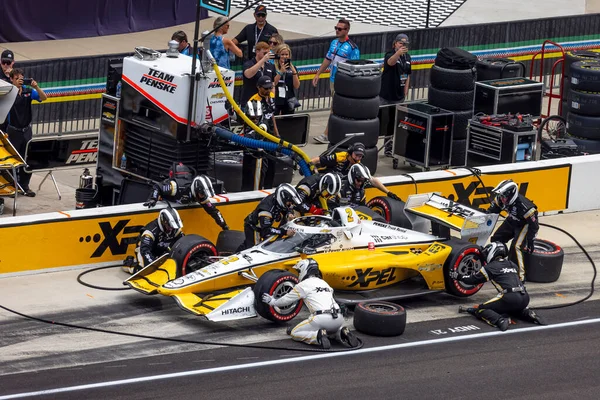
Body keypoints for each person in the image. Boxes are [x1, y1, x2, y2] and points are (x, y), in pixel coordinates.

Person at [262, 258, 359, 349]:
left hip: (320, 319)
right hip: (338, 318)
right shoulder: (324, 283)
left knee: (294, 332)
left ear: (304, 270)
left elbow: (286, 300)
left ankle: (317, 336)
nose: (299, 273)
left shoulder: (303, 285)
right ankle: (341, 332)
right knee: (329, 331)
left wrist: (273, 301)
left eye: (299, 271)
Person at [451, 242, 547, 331]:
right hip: (525, 297)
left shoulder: (490, 267)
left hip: (509, 297)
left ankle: (500, 320)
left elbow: (473, 279)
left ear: (492, 252)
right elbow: (521, 279)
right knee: (512, 309)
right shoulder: (512, 264)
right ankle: (528, 314)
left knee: (482, 309)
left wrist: (458, 276)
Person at [311, 19, 360, 144]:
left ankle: (327, 134)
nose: (337, 31)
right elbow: (328, 59)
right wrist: (318, 73)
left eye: (340, 29)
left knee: (335, 108)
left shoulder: (353, 48)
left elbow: (355, 68)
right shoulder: (334, 42)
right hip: (333, 80)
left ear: (347, 30)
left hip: (343, 83)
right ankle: (338, 133)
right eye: (336, 28)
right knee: (338, 109)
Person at [144, 163, 229, 231]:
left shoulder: (202, 197)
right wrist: (153, 199)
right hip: (164, 202)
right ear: (196, 189)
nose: (203, 197)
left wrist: (224, 226)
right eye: (202, 194)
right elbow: (157, 187)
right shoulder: (175, 187)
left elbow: (214, 211)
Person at [6, 68, 48, 197]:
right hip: (13, 131)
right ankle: (12, 187)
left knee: (27, 159)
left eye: (21, 77)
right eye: (17, 78)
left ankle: (25, 186)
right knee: (12, 160)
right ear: (12, 79)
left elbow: (44, 98)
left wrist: (37, 87)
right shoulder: (7, 93)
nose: (20, 80)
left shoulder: (28, 92)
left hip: (26, 131)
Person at [487, 179, 539, 281]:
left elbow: (534, 226)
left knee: (516, 247)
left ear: (511, 195)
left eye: (504, 197)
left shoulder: (526, 207)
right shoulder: (499, 199)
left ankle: (520, 277)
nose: (502, 199)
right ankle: (499, 266)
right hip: (511, 220)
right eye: (501, 196)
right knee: (496, 239)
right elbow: (491, 212)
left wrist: (531, 240)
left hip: (525, 225)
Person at [312, 142, 401, 200]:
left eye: (361, 156)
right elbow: (316, 160)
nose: (358, 158)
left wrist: (388, 193)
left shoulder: (357, 165)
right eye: (356, 155)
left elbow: (372, 179)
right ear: (350, 152)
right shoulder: (340, 157)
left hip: (337, 188)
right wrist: (310, 166)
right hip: (322, 180)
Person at [124, 208, 184, 274]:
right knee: (144, 271)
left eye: (173, 227)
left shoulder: (176, 230)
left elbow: (183, 243)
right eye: (169, 227)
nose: (171, 229)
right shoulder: (150, 232)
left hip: (163, 249)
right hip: (144, 249)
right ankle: (128, 264)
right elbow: (145, 250)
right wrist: (153, 265)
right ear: (163, 222)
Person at [242, 183, 301, 249]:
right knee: (254, 249)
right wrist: (285, 232)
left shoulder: (277, 198)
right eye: (289, 202)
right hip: (254, 227)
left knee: (248, 245)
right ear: (283, 199)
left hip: (262, 225)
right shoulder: (266, 211)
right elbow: (266, 230)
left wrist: (289, 213)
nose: (291, 205)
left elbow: (287, 208)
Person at [380, 34, 412, 157]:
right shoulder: (390, 55)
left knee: (394, 122)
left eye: (405, 44)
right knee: (381, 121)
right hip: (385, 95)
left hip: (399, 96)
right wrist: (398, 53)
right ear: (395, 44)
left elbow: (408, 74)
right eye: (400, 43)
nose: (403, 46)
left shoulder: (408, 57)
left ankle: (388, 147)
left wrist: (406, 89)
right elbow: (390, 63)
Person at [241, 42, 276, 106]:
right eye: (264, 53)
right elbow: (248, 75)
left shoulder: (270, 66)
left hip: (265, 102)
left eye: (267, 53)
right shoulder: (249, 64)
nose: (266, 55)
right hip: (250, 101)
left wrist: (272, 99)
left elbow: (272, 85)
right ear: (257, 52)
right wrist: (262, 60)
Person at [273, 44, 300, 115]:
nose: (284, 56)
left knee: (288, 122)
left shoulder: (293, 68)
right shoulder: (273, 67)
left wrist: (294, 73)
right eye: (282, 54)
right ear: (278, 55)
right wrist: (280, 72)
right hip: (277, 99)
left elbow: (296, 86)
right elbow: (273, 83)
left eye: (286, 54)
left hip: (289, 99)